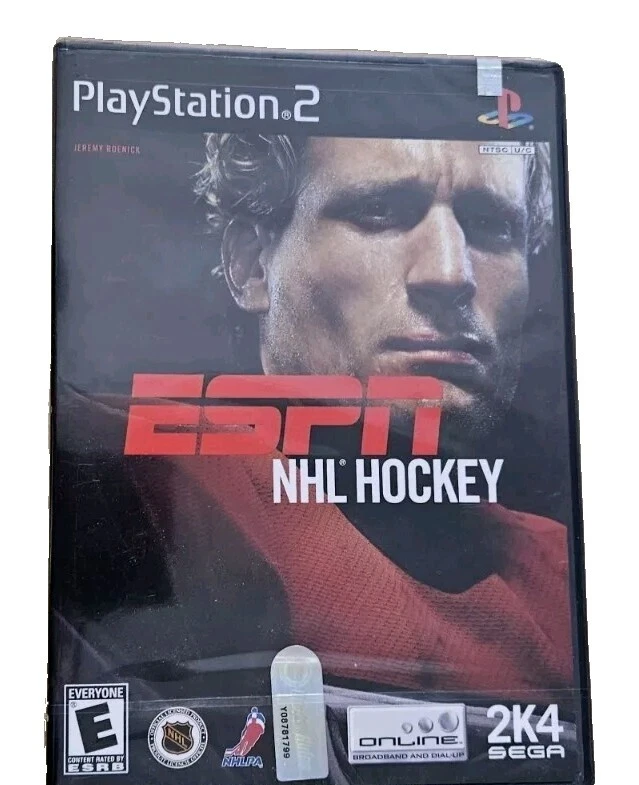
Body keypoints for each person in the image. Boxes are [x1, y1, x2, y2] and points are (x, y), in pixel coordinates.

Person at [178, 135, 572, 696]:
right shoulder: (166, 485)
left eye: (491, 226)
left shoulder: (566, 573)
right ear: (252, 266)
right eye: (380, 212)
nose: (450, 272)